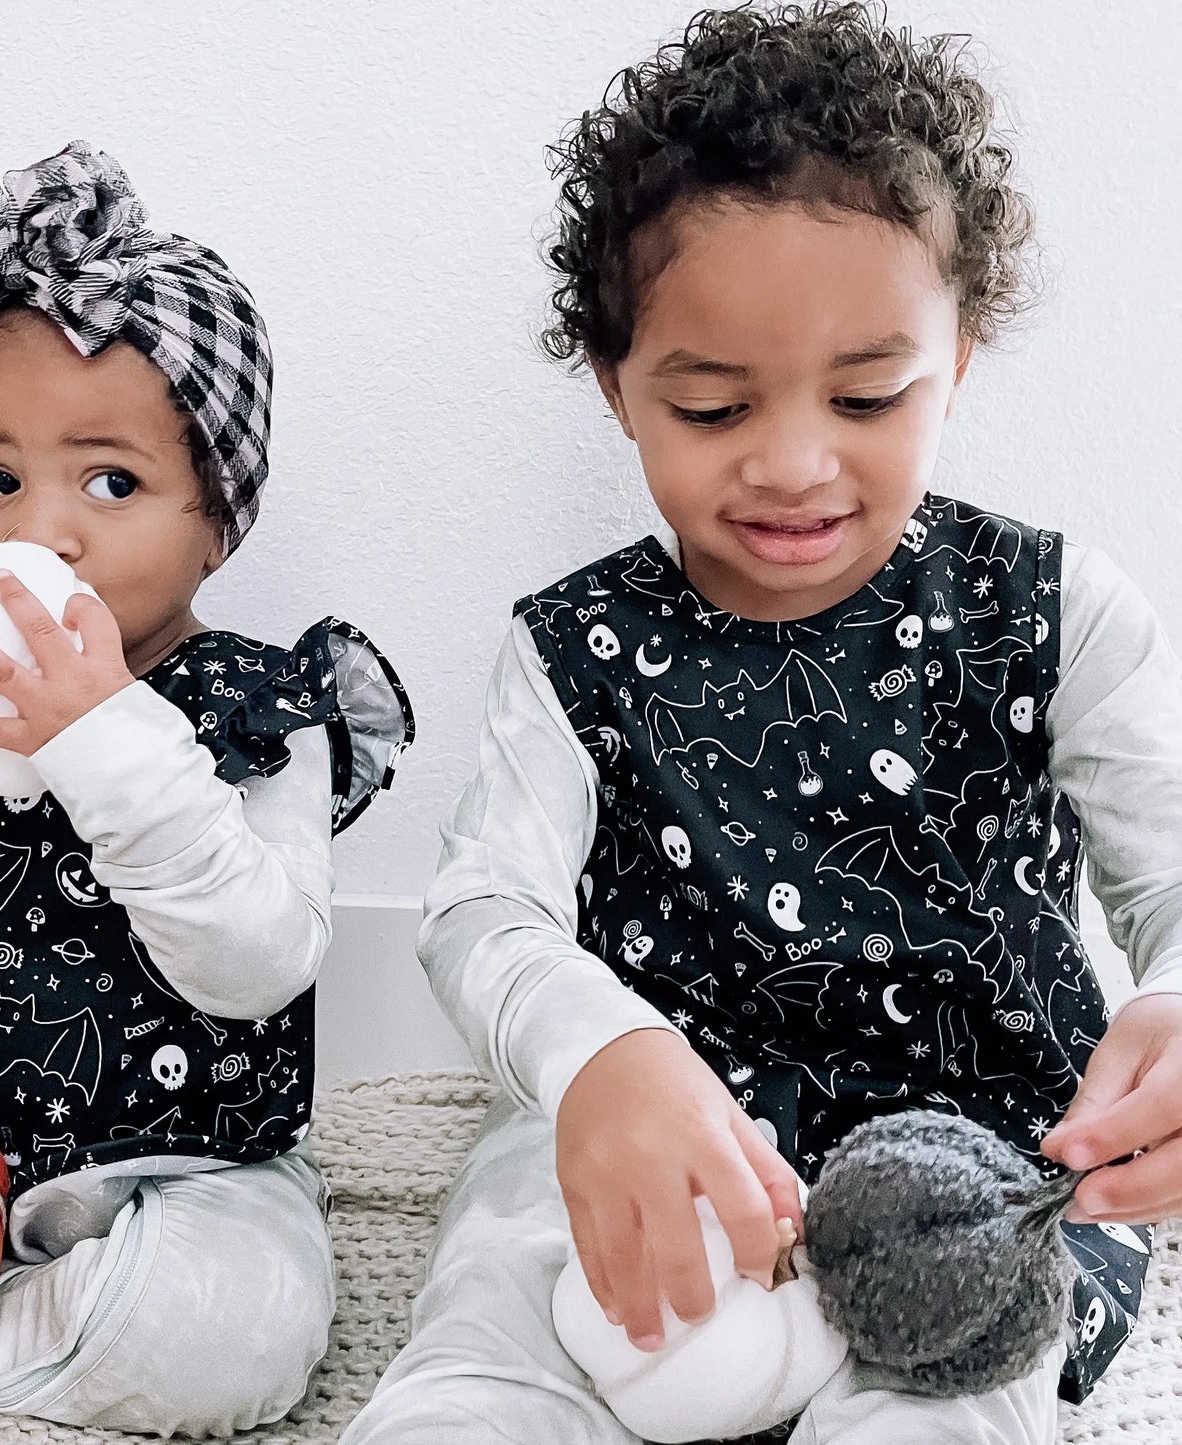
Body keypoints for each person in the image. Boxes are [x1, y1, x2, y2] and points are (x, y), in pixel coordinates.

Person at [342, 5, 1181, 1442]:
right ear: (618, 389)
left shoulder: (1059, 607)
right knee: (490, 1345)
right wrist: (595, 1055)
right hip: (629, 1146)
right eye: (714, 405)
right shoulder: (569, 648)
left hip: (964, 1167)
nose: (794, 464)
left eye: (867, 395)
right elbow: (484, 906)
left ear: (959, 357)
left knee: (957, 1407)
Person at [0, 137, 413, 1444]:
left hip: (169, 1164)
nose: (43, 528)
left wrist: (105, 735)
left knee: (249, 1327)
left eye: (111, 481)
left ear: (217, 517)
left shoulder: (262, 705)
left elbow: (257, 958)